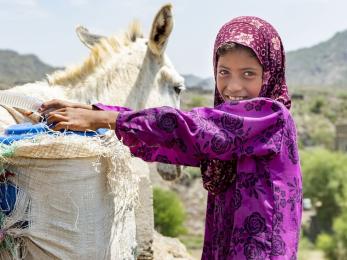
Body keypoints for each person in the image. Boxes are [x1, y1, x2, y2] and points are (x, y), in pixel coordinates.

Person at [40, 16, 302, 259]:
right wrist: (99, 112)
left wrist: (108, 120)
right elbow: (175, 141)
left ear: (269, 73)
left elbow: (189, 128)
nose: (233, 87)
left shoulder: (272, 117)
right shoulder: (226, 127)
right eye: (224, 72)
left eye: (248, 74)